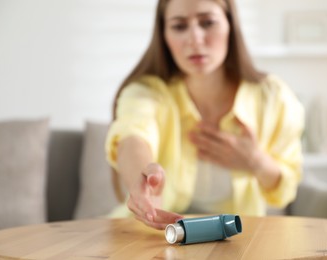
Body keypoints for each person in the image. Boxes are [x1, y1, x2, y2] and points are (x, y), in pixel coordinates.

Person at [105, 0, 304, 230]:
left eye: (207, 22)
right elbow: (132, 137)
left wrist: (255, 162)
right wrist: (144, 181)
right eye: (179, 26)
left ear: (230, 24)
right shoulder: (145, 93)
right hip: (150, 237)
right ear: (164, 35)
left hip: (235, 241)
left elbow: (284, 190)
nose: (195, 39)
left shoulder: (273, 97)